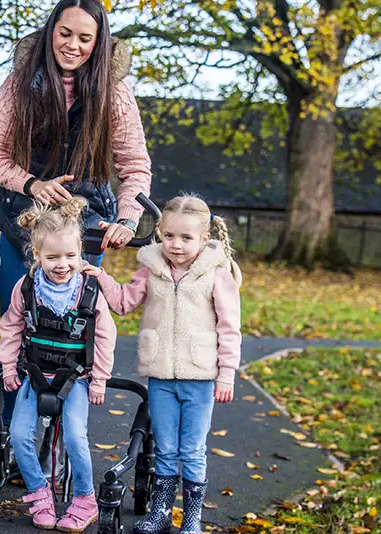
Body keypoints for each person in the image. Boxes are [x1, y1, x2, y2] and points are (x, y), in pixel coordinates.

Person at [0, 0, 152, 473]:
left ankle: (62, 443)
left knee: (74, 337)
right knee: (26, 330)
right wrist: (32, 184)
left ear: (99, 44)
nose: (72, 45)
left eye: (85, 38)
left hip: (86, 230)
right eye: (65, 33)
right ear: (51, 30)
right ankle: (18, 443)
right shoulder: (19, 84)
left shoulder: (113, 94)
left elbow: (135, 167)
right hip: (23, 225)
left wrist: (129, 220)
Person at [83, 195, 243, 534]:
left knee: (193, 450)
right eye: (169, 236)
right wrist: (100, 276)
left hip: (200, 377)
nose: (177, 244)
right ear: (159, 233)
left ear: (204, 238)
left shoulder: (216, 274)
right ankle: (160, 513)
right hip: (160, 376)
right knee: (166, 449)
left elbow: (230, 328)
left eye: (187, 238)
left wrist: (226, 375)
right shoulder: (151, 269)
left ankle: (192, 518)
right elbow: (124, 302)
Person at [0, 197, 117, 532]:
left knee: (76, 436)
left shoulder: (90, 291)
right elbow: (10, 328)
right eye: (52, 257)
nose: (62, 264)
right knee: (20, 434)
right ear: (37, 256)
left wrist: (99, 379)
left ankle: (84, 498)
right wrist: (9, 368)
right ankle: (39, 493)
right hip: (34, 375)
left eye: (70, 256)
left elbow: (106, 336)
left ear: (80, 251)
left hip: (75, 377)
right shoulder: (26, 289)